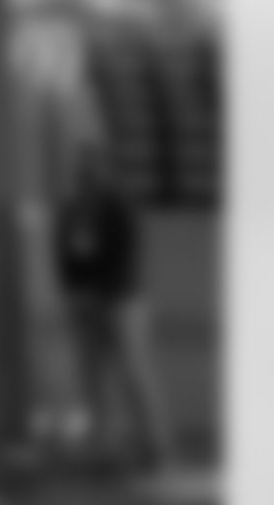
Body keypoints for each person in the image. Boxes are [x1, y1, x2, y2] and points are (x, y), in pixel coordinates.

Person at [54, 151, 177, 476]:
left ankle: (155, 448)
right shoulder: (72, 208)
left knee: (133, 374)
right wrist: (73, 293)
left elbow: (127, 257)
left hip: (122, 302)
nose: (86, 174)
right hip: (84, 304)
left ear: (107, 170)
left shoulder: (121, 205)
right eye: (81, 169)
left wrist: (101, 292)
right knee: (92, 377)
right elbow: (64, 255)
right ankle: (103, 448)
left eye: (92, 168)